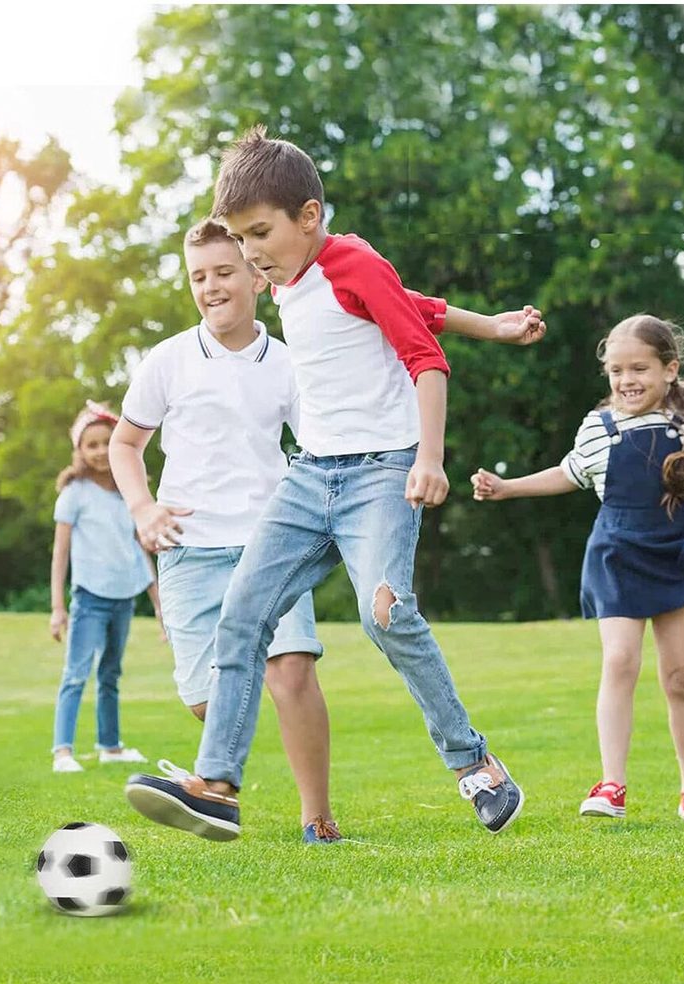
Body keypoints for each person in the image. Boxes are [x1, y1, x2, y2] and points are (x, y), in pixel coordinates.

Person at [124, 126, 536, 840]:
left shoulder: (352, 261)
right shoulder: (294, 278)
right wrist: (494, 328)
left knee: (386, 614)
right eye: (240, 239)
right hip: (311, 477)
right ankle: (216, 787)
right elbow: (417, 303)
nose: (250, 254)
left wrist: (429, 457)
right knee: (242, 615)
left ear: (309, 216)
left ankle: (476, 764)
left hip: (382, 474)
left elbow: (425, 356)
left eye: (259, 235)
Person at [471, 314, 684, 825]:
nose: (626, 380)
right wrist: (508, 487)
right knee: (619, 662)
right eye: (616, 371)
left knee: (680, 677)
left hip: (678, 549)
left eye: (639, 368)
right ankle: (611, 784)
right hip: (618, 553)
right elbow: (568, 473)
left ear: (669, 369)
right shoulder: (598, 429)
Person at [50, 401, 159, 773]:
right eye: (91, 445)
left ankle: (110, 747)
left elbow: (140, 549)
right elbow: (60, 554)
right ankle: (63, 752)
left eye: (105, 443)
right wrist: (58, 607)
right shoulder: (75, 493)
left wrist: (158, 603)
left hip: (123, 598)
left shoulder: (128, 494)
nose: (99, 451)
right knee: (76, 673)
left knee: (110, 674)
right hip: (89, 599)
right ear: (79, 450)